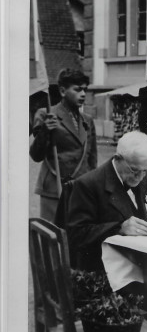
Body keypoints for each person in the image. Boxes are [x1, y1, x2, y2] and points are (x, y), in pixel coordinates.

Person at [67, 132, 147, 272]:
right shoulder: (89, 184)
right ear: (118, 158)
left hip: (143, 263)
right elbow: (76, 235)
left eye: (145, 171)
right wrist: (119, 229)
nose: (140, 177)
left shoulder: (145, 175)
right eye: (134, 171)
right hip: (106, 269)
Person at [30, 69, 97, 222]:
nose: (83, 94)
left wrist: (92, 187)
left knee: (77, 236)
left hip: (81, 188)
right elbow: (36, 155)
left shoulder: (87, 120)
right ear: (62, 91)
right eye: (77, 89)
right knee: (53, 236)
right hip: (54, 187)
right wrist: (45, 130)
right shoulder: (46, 114)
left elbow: (92, 160)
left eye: (85, 89)